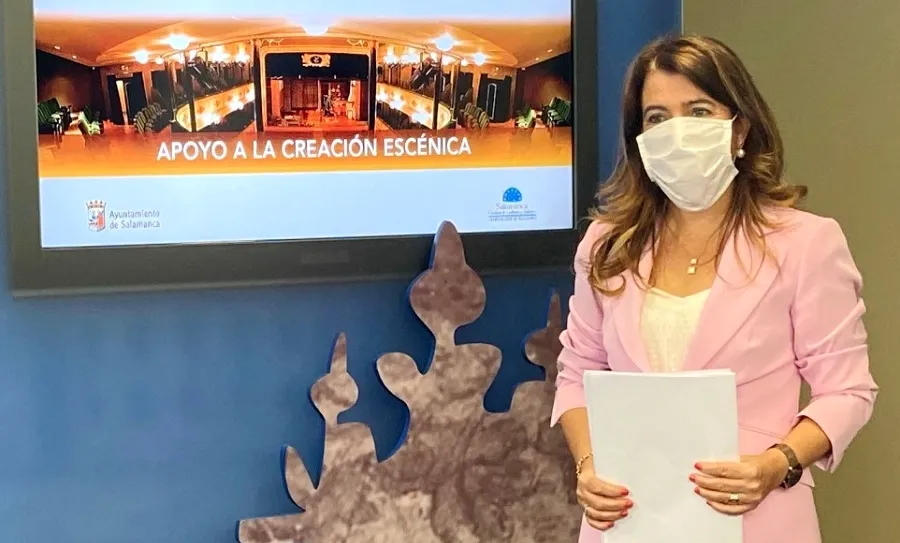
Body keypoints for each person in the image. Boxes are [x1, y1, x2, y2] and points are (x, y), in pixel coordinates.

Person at [552, 34, 878, 543]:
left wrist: (778, 463)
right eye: (657, 118)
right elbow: (577, 373)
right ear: (640, 137)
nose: (677, 132)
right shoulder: (607, 245)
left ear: (739, 127)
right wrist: (588, 466)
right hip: (627, 519)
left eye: (699, 111)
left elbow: (847, 390)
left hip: (757, 519)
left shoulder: (805, 243)